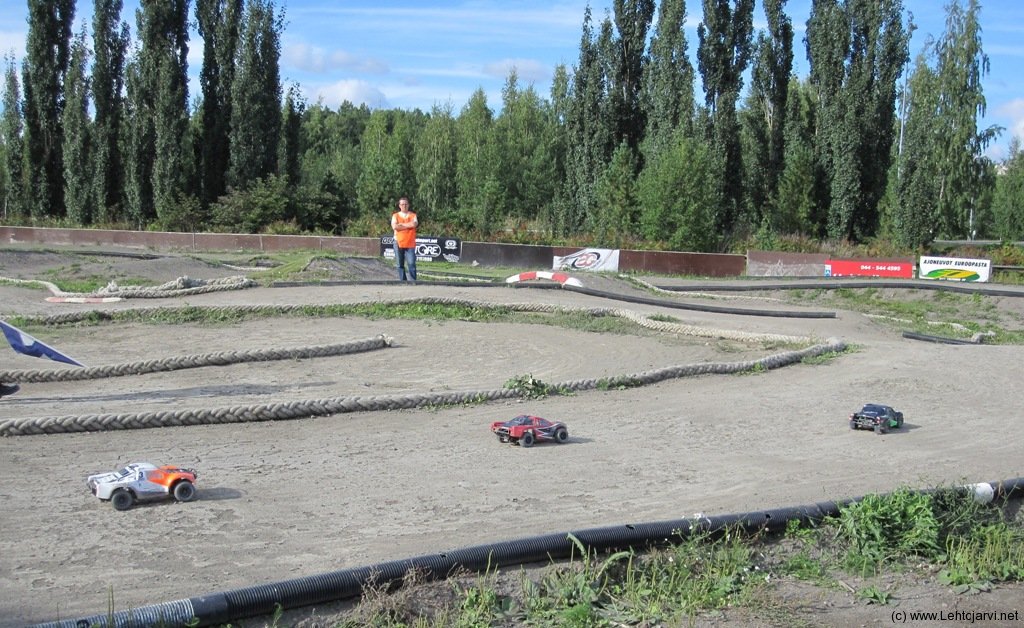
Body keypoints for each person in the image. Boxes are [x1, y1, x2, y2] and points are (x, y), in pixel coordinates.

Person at [390, 197, 418, 282]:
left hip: (410, 243)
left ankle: (413, 281)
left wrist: (401, 225)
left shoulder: (413, 215)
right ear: (399, 205)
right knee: (399, 264)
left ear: (408, 205)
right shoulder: (395, 216)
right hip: (398, 242)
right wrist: (408, 225)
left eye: (406, 204)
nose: (404, 206)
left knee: (411, 263)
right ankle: (403, 281)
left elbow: (414, 224)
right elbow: (395, 227)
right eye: (402, 204)